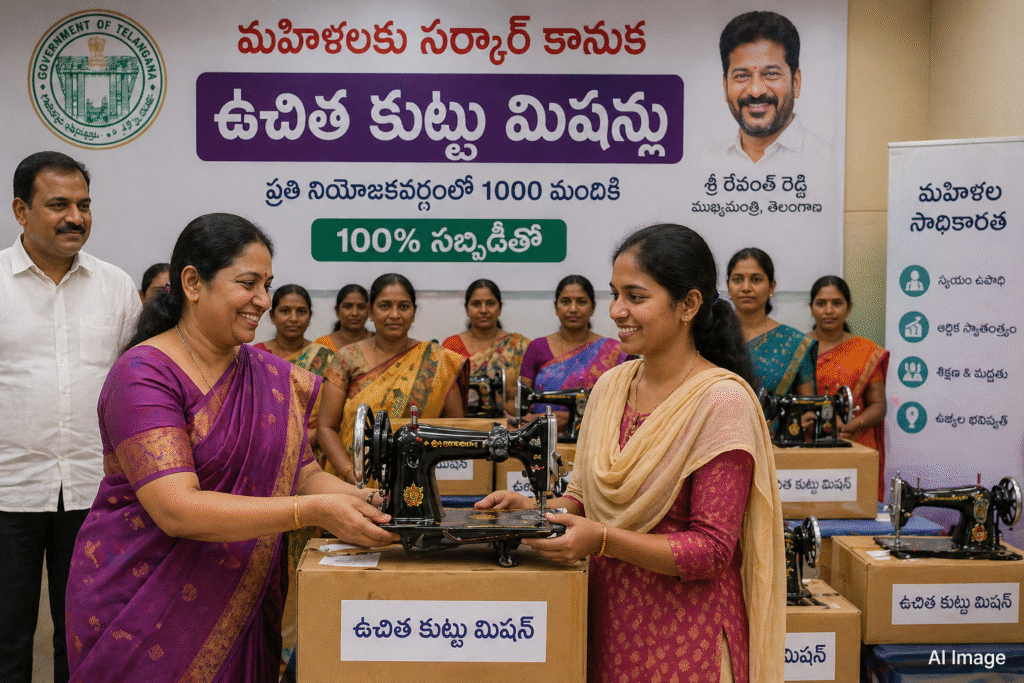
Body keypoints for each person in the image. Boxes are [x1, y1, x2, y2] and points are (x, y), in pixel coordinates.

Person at [64, 214, 397, 683]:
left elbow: (301, 473)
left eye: (267, 285)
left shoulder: (268, 375)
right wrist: (310, 511)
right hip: (141, 607)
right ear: (192, 283)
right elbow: (176, 509)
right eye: (248, 283)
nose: (263, 300)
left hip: (239, 601)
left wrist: (370, 502)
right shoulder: (143, 376)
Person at [477, 224, 784, 683]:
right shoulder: (610, 387)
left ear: (688, 305)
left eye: (635, 297)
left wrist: (602, 540)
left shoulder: (721, 402)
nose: (617, 310)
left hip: (688, 642)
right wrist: (534, 512)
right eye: (615, 294)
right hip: (610, 627)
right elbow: (585, 499)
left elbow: (711, 551)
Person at [0, 151, 142, 683]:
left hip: (93, 491)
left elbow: (135, 385)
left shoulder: (115, 285)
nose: (75, 217)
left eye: (83, 205)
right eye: (58, 205)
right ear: (21, 211)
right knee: (6, 640)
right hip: (7, 491)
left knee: (86, 636)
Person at [252, 283, 334, 672]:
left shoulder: (325, 358)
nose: (293, 318)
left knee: (305, 558)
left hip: (312, 468)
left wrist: (304, 440)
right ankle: (269, 648)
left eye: (301, 311)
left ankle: (305, 646)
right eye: (285, 310)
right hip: (262, 471)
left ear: (310, 316)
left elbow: (333, 416)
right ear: (272, 315)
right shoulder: (253, 355)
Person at [317, 273, 468, 483]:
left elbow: (455, 429)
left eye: (403, 307)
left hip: (415, 481)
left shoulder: (438, 361)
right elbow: (326, 428)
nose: (394, 315)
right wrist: (353, 475)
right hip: (352, 483)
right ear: (371, 312)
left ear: (414, 312)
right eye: (385, 306)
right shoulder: (347, 358)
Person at [704, 10, 831, 165]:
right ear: (725, 87)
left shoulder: (827, 161)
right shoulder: (707, 162)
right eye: (741, 76)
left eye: (771, 74)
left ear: (796, 83)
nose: (756, 91)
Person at [809, 275, 888, 499]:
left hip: (856, 443)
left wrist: (851, 425)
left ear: (849, 308)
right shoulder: (799, 349)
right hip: (809, 445)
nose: (829, 310)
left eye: (837, 303)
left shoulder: (866, 351)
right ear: (811, 308)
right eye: (821, 303)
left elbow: (878, 405)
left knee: (856, 508)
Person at [518, 275, 626, 431]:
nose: (573, 309)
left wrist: (573, 417)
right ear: (556, 307)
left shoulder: (615, 351)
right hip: (541, 435)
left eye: (581, 302)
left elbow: (623, 405)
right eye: (565, 302)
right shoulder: (537, 347)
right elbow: (522, 403)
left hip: (596, 436)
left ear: (593, 308)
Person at [727, 247, 816, 397]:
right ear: (728, 286)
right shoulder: (710, 335)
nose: (746, 288)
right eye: (737, 280)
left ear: (771, 286)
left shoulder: (794, 343)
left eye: (756, 279)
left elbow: (807, 405)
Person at [442, 279, 530, 411]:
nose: (483, 310)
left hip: (507, 420)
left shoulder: (519, 346)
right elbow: (443, 395)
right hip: (460, 420)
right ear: (466, 309)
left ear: (500, 308)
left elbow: (526, 398)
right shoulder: (451, 345)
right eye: (476, 304)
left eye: (490, 303)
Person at [315, 284, 371, 353]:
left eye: (361, 307)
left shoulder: (378, 342)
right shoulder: (323, 345)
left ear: (369, 311)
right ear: (337, 311)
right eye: (347, 307)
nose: (355, 313)